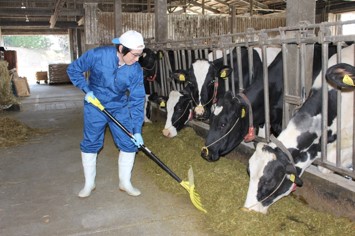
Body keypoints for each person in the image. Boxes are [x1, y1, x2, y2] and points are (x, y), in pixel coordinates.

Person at [67, 30, 146, 198]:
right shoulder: (98, 55)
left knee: (129, 141)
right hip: (95, 104)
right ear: (121, 48)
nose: (137, 59)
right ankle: (89, 183)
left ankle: (125, 182)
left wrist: (137, 129)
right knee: (91, 142)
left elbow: (137, 100)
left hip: (119, 106)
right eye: (135, 55)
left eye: (140, 55)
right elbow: (73, 69)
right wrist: (86, 90)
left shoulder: (136, 70)